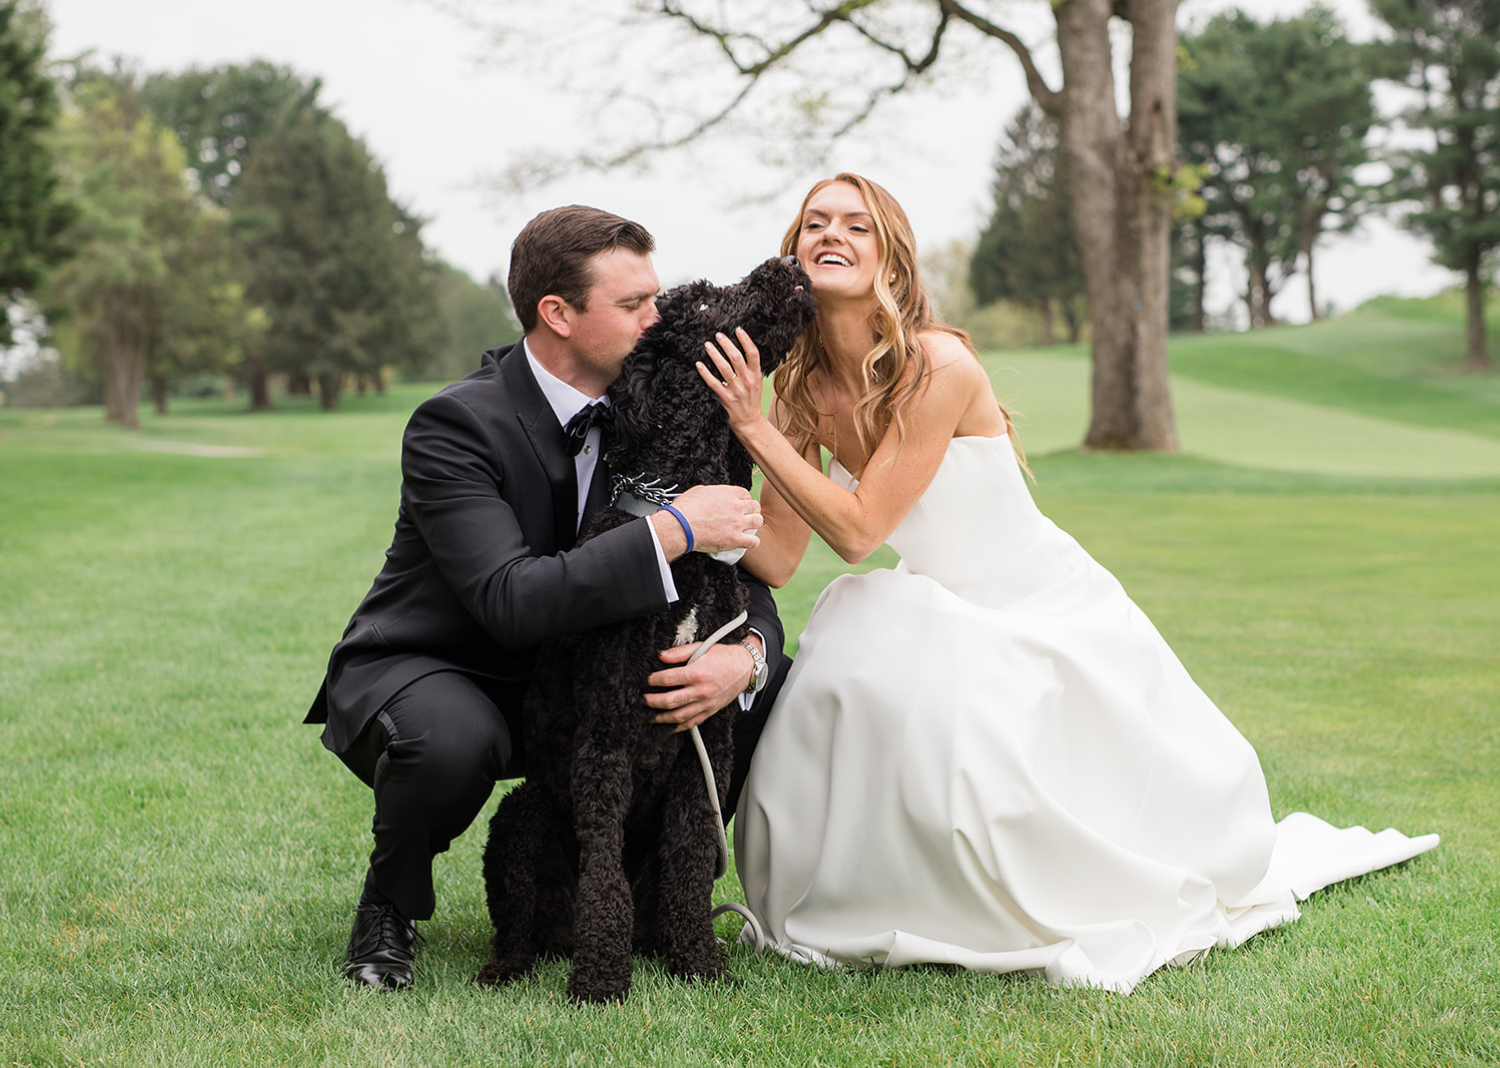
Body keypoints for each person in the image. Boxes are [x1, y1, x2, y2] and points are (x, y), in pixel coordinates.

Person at [697, 173, 1438, 993]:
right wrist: (681, 518)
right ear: (793, 253)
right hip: (936, 597)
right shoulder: (800, 385)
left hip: (1033, 601)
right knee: (858, 641)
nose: (831, 234)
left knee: (912, 660)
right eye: (814, 224)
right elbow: (779, 560)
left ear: (891, 262)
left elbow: (861, 530)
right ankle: (866, 894)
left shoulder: (936, 365)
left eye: (856, 226)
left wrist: (751, 423)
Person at [305, 205, 790, 990]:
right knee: (453, 739)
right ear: (557, 314)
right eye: (632, 306)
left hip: (580, 678)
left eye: (655, 298)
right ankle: (389, 903)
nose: (656, 319)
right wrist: (671, 528)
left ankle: (653, 896)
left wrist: (749, 655)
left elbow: (735, 574)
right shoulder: (454, 424)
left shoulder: (655, 403)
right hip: (448, 668)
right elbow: (509, 599)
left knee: (761, 687)